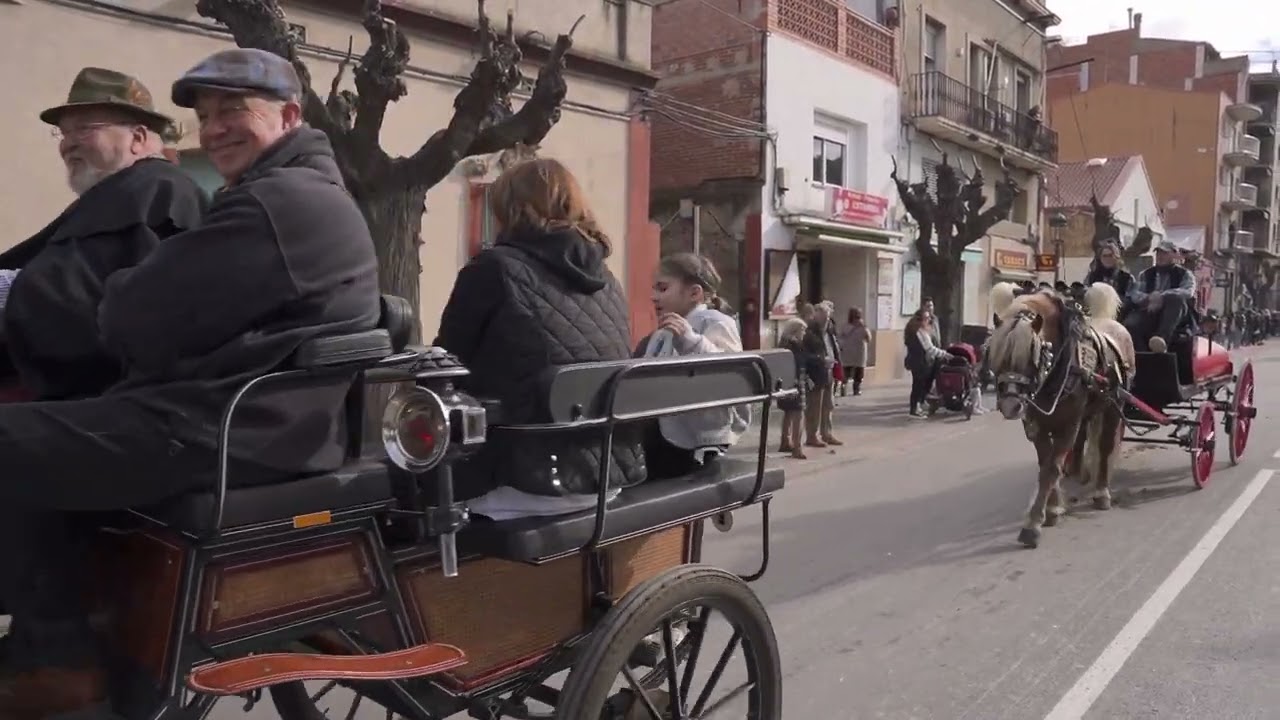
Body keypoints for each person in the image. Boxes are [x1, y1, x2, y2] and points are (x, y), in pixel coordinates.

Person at [0, 48, 381, 717]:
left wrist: (126, 301)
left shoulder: (275, 204)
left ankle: (57, 660)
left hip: (224, 430)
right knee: (51, 427)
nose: (214, 129)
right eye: (206, 116)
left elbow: (130, 316)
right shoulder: (290, 195)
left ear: (290, 115)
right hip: (247, 420)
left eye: (233, 110)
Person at [436, 158, 645, 517]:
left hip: (523, 482)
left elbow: (446, 366)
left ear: (507, 208)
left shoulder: (493, 269)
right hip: (607, 479)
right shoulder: (608, 280)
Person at [0, 68, 207, 400]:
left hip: (110, 398)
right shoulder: (121, 192)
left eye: (83, 129)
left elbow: (79, 294)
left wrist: (6, 293)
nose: (67, 144)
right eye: (63, 133)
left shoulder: (150, 189)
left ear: (138, 138)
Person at [638, 253, 749, 477]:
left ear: (694, 293)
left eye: (662, 288)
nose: (653, 296)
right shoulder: (662, 332)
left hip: (701, 437)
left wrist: (692, 342)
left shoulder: (714, 322)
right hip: (666, 429)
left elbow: (730, 373)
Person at [1124, 239, 1196, 352]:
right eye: (1158, 253)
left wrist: (1162, 296)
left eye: (1164, 253)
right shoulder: (1145, 274)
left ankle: (1161, 340)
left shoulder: (1185, 274)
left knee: (1176, 299)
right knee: (1131, 324)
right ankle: (1142, 356)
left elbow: (1188, 291)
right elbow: (1135, 293)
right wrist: (1149, 298)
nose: (1160, 256)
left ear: (1174, 254)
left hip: (1176, 315)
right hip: (1150, 310)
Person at [804, 302, 842, 446]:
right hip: (816, 373)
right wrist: (821, 359)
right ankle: (812, 436)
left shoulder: (830, 330)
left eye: (827, 318)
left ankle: (827, 433)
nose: (825, 321)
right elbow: (805, 354)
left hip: (830, 370)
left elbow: (834, 346)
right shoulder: (809, 332)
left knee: (829, 404)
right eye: (822, 318)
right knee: (815, 406)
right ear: (816, 316)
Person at [776, 317, 812, 459]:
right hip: (795, 381)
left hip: (787, 381)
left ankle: (785, 441)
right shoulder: (794, 346)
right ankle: (797, 447)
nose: (804, 333)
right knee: (798, 414)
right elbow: (798, 362)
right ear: (795, 331)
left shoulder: (784, 343)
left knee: (789, 413)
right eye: (802, 330)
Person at [904, 310, 948, 418]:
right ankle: (914, 409)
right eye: (927, 318)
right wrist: (945, 354)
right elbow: (930, 349)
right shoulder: (920, 332)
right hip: (920, 362)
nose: (929, 320)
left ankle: (916, 407)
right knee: (918, 386)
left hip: (916, 362)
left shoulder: (913, 331)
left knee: (918, 386)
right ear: (921, 320)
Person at [1083, 242, 1134, 310]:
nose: (1107, 259)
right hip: (1096, 312)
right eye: (1104, 256)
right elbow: (1086, 294)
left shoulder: (1127, 277)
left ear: (1116, 257)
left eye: (1110, 255)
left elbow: (1130, 298)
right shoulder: (1092, 276)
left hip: (1120, 312)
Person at [838, 307, 870, 396]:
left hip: (855, 352)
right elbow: (868, 339)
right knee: (851, 371)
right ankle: (848, 388)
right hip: (854, 352)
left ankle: (853, 388)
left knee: (855, 372)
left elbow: (868, 338)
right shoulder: (847, 326)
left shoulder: (861, 326)